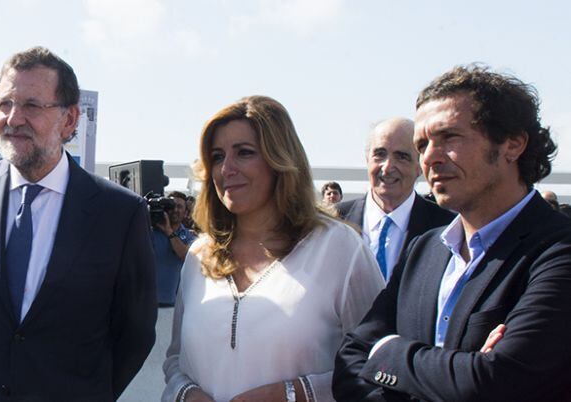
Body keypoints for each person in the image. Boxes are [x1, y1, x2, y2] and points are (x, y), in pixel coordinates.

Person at [0, 46, 157, 402]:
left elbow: (135, 332)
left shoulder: (119, 213)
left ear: (70, 119)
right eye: (4, 104)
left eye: (32, 105)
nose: (13, 118)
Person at [334, 65, 571, 401]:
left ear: (513, 144)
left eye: (448, 138)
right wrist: (456, 370)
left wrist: (387, 351)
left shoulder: (558, 251)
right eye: (423, 144)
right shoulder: (425, 250)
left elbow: (493, 384)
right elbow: (349, 363)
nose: (429, 157)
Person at [162, 96, 384, 402]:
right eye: (216, 156)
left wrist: (297, 394)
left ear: (279, 159)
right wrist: (187, 394)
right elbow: (175, 361)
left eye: (244, 153)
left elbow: (380, 366)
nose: (226, 168)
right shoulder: (200, 255)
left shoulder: (340, 249)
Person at [336, 118, 453, 282]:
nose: (388, 167)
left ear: (420, 167)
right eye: (380, 154)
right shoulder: (333, 221)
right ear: (367, 160)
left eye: (401, 157)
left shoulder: (448, 228)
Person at [153, 191, 197, 307]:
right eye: (172, 206)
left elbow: (184, 255)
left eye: (179, 207)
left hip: (174, 304)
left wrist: (169, 231)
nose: (175, 210)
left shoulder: (190, 236)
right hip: (149, 302)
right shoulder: (151, 232)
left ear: (185, 212)